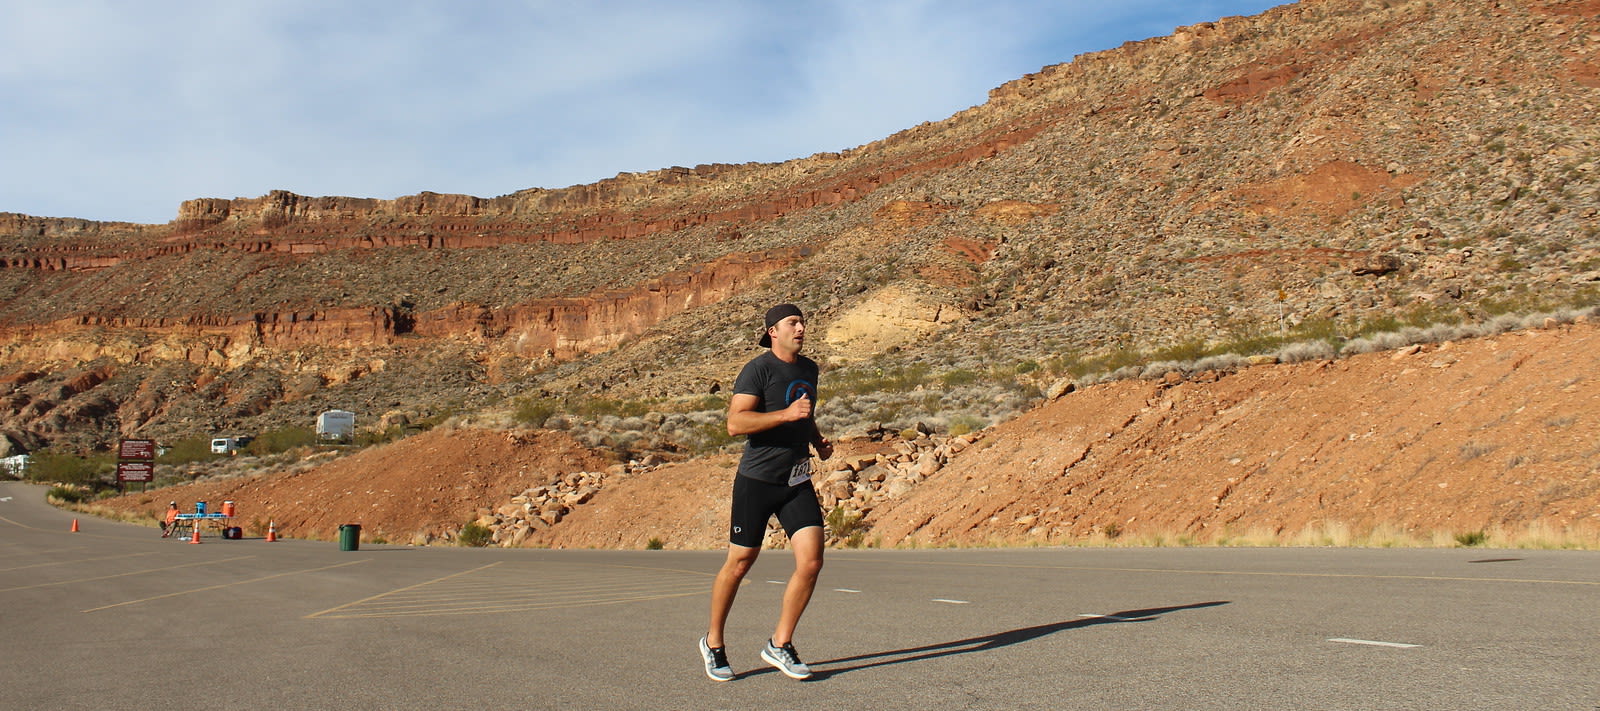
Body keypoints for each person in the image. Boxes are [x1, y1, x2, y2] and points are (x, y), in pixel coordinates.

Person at [700, 303, 833, 682]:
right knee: (740, 563)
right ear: (773, 331)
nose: (801, 327)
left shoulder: (809, 369)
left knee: (811, 562)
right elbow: (735, 423)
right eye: (792, 322)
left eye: (803, 321)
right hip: (756, 481)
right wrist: (784, 416)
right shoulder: (758, 369)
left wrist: (816, 438)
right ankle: (713, 643)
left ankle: (780, 643)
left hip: (795, 479)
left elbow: (804, 411)